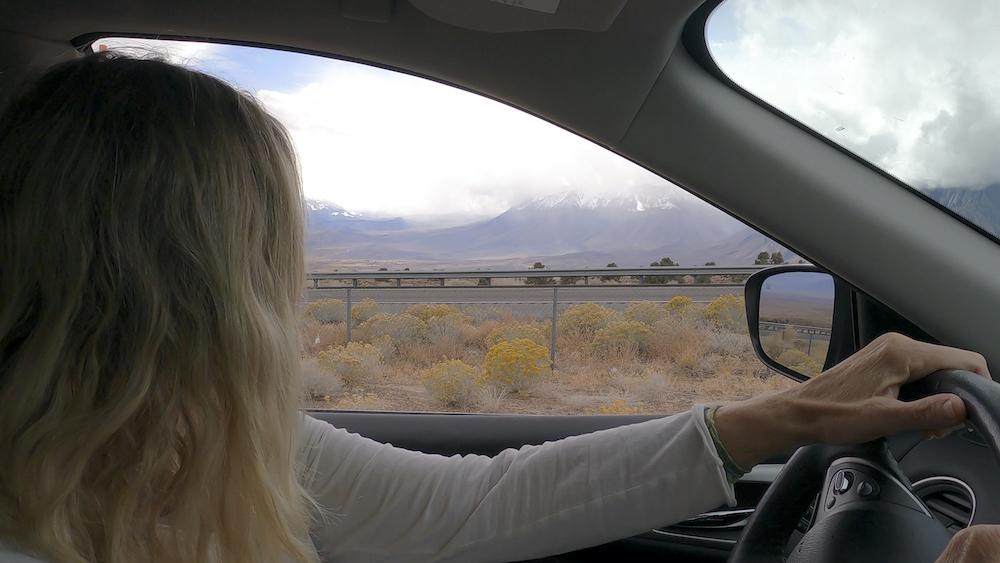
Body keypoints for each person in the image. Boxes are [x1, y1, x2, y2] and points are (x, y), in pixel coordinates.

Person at [0, 53, 996, 563]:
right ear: (205, 282)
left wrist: (779, 418)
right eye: (270, 248)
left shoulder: (201, 433)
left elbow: (470, 505)